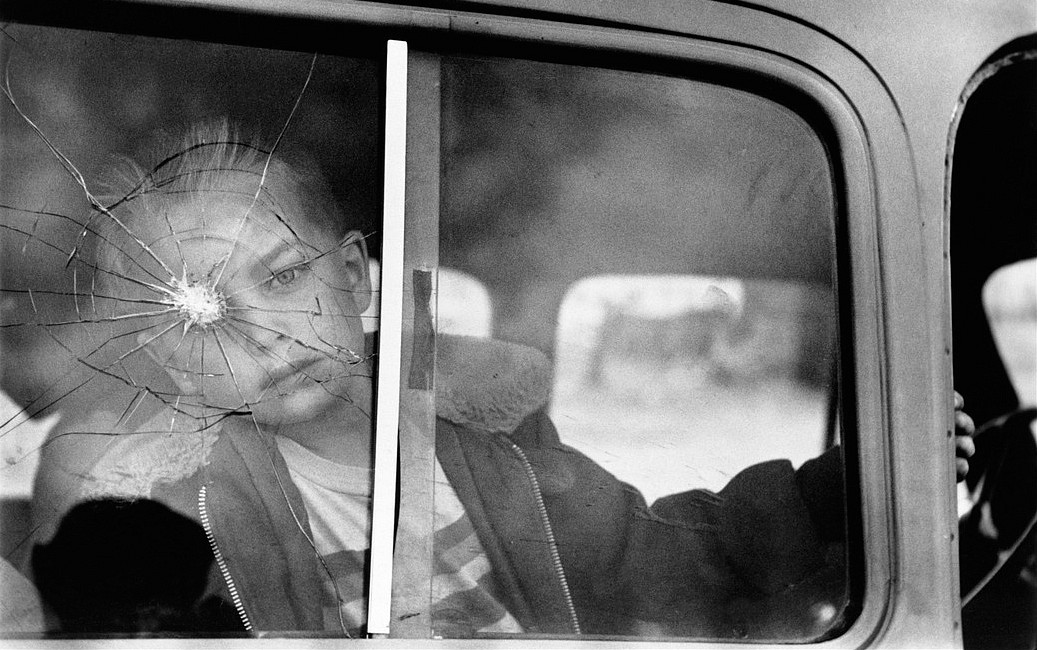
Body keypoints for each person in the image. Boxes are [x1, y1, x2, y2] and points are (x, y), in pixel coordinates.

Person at [27, 122, 977, 639]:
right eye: (200, 309)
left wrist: (842, 492)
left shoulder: (497, 456)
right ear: (170, 355)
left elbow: (671, 556)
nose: (267, 332)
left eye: (282, 276)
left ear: (354, 278)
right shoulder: (181, 513)